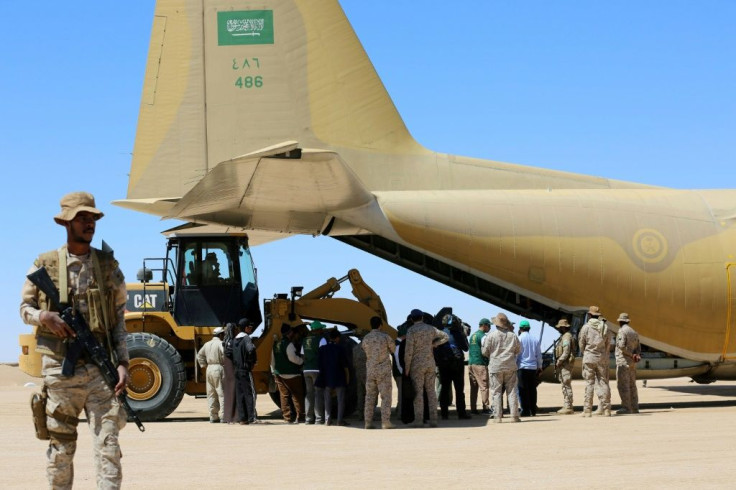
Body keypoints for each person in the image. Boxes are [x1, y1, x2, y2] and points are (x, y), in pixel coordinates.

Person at [20, 191, 129, 488]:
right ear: (67, 223)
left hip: (100, 370)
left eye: (92, 217)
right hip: (60, 370)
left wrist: (122, 363)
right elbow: (24, 308)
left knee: (109, 447)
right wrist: (45, 318)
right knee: (61, 450)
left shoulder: (108, 267)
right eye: (82, 218)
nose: (89, 223)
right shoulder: (45, 264)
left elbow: (119, 318)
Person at [404, 308, 448, 427]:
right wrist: (434, 344)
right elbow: (445, 336)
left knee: (418, 393)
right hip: (430, 363)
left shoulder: (411, 331)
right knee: (431, 392)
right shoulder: (431, 329)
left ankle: (419, 420)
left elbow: (408, 351)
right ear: (422, 317)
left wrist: (407, 367)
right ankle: (433, 420)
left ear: (412, 319)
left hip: (417, 365)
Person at [481, 312, 521, 423]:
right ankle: (514, 416)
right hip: (510, 366)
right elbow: (518, 350)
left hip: (495, 367)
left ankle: (497, 417)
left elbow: (484, 351)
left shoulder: (491, 336)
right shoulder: (513, 335)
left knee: (496, 392)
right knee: (512, 391)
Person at [362, 316, 395, 429]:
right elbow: (393, 350)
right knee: (385, 396)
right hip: (383, 370)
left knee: (370, 397)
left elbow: (365, 351)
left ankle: (368, 422)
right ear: (380, 325)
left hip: (371, 370)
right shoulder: (385, 337)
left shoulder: (366, 338)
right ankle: (385, 422)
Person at [436, 314, 471, 420]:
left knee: (444, 389)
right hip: (457, 365)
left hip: (444, 365)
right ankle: (461, 413)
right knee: (459, 390)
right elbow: (465, 348)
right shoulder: (458, 333)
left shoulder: (439, 333)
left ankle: (444, 414)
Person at [579, 306, 612, 417]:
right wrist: (604, 354)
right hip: (602, 358)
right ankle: (607, 409)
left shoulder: (586, 327)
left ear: (589, 315)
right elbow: (608, 344)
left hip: (589, 358)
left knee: (589, 383)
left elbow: (581, 343)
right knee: (603, 382)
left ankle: (587, 410)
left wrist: (586, 353)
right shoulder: (605, 328)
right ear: (598, 315)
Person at [271, 324, 306, 423]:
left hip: (279, 374)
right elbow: (292, 358)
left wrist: (274, 371)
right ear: (290, 333)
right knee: (297, 395)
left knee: (284, 396)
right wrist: (301, 361)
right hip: (292, 374)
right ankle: (301, 417)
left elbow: (272, 360)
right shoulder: (289, 344)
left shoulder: (275, 344)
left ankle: (287, 417)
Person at [317, 329, 351, 426]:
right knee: (340, 400)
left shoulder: (322, 349)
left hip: (327, 378)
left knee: (327, 399)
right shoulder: (341, 349)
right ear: (337, 338)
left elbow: (320, 365)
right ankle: (339, 421)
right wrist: (347, 378)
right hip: (339, 377)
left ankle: (327, 419)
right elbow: (345, 366)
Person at [197, 326, 225, 423]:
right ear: (221, 334)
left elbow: (199, 355)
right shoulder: (221, 343)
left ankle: (213, 416)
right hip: (219, 367)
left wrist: (204, 365)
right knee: (222, 393)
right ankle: (223, 416)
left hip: (209, 369)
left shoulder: (207, 344)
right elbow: (225, 354)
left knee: (211, 393)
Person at [615, 313, 642, 414]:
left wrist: (630, 355)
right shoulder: (633, 332)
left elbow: (621, 346)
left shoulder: (622, 331)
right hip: (632, 363)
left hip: (623, 361)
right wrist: (636, 355)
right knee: (632, 385)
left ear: (620, 321)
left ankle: (626, 407)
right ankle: (635, 407)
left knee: (623, 385)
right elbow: (639, 347)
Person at [233, 320, 258, 423]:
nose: (251, 329)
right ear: (246, 328)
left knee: (240, 394)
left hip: (237, 370)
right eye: (250, 327)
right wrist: (252, 361)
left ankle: (243, 418)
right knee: (250, 394)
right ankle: (252, 418)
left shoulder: (235, 339)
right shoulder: (246, 338)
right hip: (245, 370)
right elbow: (250, 349)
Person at [303, 320, 327, 424]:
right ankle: (319, 419)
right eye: (321, 328)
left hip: (306, 370)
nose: (323, 330)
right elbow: (324, 354)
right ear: (318, 329)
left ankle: (308, 419)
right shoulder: (321, 339)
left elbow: (302, 355)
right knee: (318, 393)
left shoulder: (304, 340)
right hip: (316, 369)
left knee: (309, 394)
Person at [517, 320, 542, 417]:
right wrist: (539, 367)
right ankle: (533, 410)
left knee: (522, 389)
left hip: (522, 367)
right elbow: (538, 355)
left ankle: (525, 410)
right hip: (532, 368)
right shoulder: (535, 339)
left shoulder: (519, 339)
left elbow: (516, 354)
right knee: (532, 389)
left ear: (520, 329)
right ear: (529, 328)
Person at [468, 318, 491, 415]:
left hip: (471, 363)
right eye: (489, 326)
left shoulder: (473, 335)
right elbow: (486, 350)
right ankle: (485, 408)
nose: (489, 328)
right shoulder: (483, 336)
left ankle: (473, 409)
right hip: (480, 364)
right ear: (484, 325)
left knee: (473, 388)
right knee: (484, 387)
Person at [554, 318, 576, 415]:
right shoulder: (564, 336)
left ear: (563, 328)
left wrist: (560, 360)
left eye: (560, 327)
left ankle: (568, 406)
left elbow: (566, 351)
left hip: (565, 364)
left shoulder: (566, 337)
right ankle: (567, 404)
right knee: (564, 384)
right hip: (564, 363)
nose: (558, 329)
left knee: (566, 384)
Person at [222, 322, 240, 423]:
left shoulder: (225, 342)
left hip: (227, 372)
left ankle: (227, 417)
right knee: (235, 393)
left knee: (228, 394)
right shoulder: (233, 342)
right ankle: (235, 417)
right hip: (233, 371)